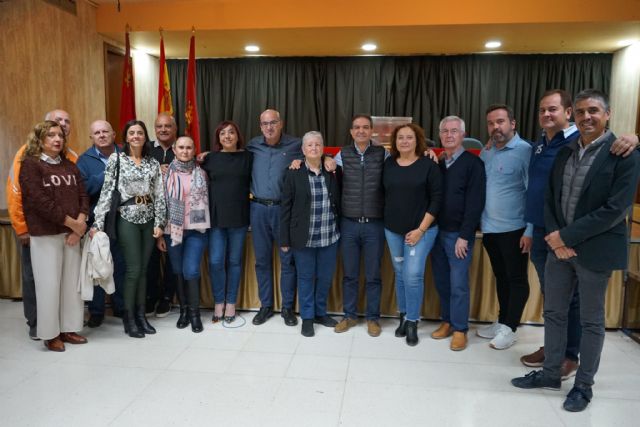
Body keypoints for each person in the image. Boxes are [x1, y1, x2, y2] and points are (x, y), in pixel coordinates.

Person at [511, 89, 640, 412]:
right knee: (554, 313)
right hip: (558, 249)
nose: (586, 117)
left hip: (593, 251)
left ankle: (583, 386)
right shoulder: (566, 151)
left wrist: (565, 237)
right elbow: (551, 198)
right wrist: (556, 236)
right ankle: (551, 373)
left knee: (591, 321)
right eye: (581, 111)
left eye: (593, 111)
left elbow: (615, 209)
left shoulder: (623, 153)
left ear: (607, 114)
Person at [91, 120, 166, 338]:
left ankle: (142, 316)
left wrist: (160, 223)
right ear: (125, 137)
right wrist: (97, 222)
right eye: (131, 133)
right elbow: (106, 192)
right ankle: (129, 317)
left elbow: (159, 194)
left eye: (140, 133)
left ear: (145, 137)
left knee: (144, 269)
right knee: (133, 269)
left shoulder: (152, 163)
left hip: (149, 219)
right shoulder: (117, 159)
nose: (136, 136)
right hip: (127, 217)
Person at [19, 120, 89, 351]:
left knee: (71, 286)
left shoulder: (70, 166)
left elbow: (83, 195)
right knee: (49, 286)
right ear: (39, 139)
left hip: (71, 235)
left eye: (59, 135)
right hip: (46, 234)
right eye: (50, 135)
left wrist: (80, 224)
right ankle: (50, 334)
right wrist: (72, 224)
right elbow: (39, 202)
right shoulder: (30, 165)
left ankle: (69, 329)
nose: (57, 139)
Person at [6, 109, 76, 340]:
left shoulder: (70, 158)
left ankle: (63, 328)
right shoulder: (26, 158)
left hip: (67, 232)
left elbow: (80, 193)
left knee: (63, 284)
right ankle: (39, 327)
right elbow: (21, 195)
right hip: (38, 230)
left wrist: (80, 222)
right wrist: (21, 227)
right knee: (37, 281)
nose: (62, 127)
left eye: (66, 123)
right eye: (56, 124)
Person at [476, 104, 532, 350]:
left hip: (515, 229)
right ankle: (501, 321)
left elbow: (534, 192)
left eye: (500, 121)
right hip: (489, 229)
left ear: (513, 123)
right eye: (490, 123)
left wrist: (530, 230)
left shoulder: (525, 151)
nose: (495, 127)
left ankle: (511, 328)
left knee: (516, 279)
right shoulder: (486, 151)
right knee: (501, 277)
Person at [430, 116, 486, 351]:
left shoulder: (474, 164)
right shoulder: (438, 163)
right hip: (435, 233)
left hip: (458, 236)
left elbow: (475, 203)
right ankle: (447, 321)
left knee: (458, 284)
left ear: (463, 135)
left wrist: (465, 235)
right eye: (445, 131)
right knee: (442, 281)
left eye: (454, 131)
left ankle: (461, 329)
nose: (449, 135)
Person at [383, 123, 441, 346]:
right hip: (393, 230)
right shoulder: (389, 164)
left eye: (409, 137)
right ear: (395, 142)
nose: (405, 141)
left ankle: (413, 321)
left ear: (418, 140)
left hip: (421, 231)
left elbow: (436, 200)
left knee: (413, 274)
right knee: (399, 272)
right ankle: (403, 315)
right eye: (400, 138)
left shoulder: (429, 165)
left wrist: (420, 230)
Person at [280, 131, 341, 337]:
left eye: (317, 145)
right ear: (303, 150)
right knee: (306, 277)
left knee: (324, 277)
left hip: (329, 235)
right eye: (309, 145)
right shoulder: (293, 172)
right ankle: (307, 317)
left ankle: (320, 313)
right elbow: (285, 208)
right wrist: (284, 239)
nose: (314, 148)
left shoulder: (333, 171)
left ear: (323, 148)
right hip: (302, 237)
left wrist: (330, 161)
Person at [333, 114, 388, 337]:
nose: (361, 131)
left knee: (374, 275)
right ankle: (349, 315)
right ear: (351, 131)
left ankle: (373, 318)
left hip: (375, 224)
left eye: (366, 127)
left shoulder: (383, 154)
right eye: (357, 127)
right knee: (350, 274)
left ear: (372, 130)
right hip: (349, 224)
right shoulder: (341, 155)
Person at [246, 109, 302, 326]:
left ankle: (287, 308)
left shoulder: (295, 145)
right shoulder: (253, 145)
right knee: (262, 261)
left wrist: (324, 159)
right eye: (265, 123)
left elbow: (315, 153)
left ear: (281, 123)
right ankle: (266, 306)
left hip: (283, 211)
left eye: (273, 122)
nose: (269, 127)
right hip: (258, 209)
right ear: (260, 126)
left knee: (287, 260)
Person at [201, 121, 252, 323]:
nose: (228, 136)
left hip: (239, 217)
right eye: (223, 133)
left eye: (231, 132)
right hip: (216, 218)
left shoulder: (248, 157)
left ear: (238, 136)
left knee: (234, 262)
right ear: (218, 138)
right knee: (215, 262)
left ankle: (231, 303)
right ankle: (218, 301)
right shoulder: (209, 158)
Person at [76, 120, 125, 327]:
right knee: (96, 265)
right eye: (97, 133)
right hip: (98, 221)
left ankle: (121, 306)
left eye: (106, 131)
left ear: (114, 134)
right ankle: (96, 312)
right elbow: (83, 189)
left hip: (124, 219)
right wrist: (105, 175)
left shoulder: (126, 153)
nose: (102, 135)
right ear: (92, 137)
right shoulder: (84, 160)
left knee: (121, 265)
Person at [159, 136, 209, 333]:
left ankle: (195, 314)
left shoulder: (202, 174)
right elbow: (160, 205)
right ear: (174, 149)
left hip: (196, 230)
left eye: (189, 147)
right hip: (173, 231)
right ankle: (184, 311)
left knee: (191, 271)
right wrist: (161, 235)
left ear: (194, 149)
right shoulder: (165, 175)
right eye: (181, 147)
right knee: (178, 271)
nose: (185, 151)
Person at [146, 113, 178, 317]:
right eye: (159, 126)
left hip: (176, 214)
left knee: (173, 261)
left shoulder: (183, 147)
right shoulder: (146, 150)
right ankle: (152, 297)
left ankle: (167, 298)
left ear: (175, 128)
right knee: (150, 259)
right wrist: (157, 170)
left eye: (168, 126)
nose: (163, 130)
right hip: (150, 214)